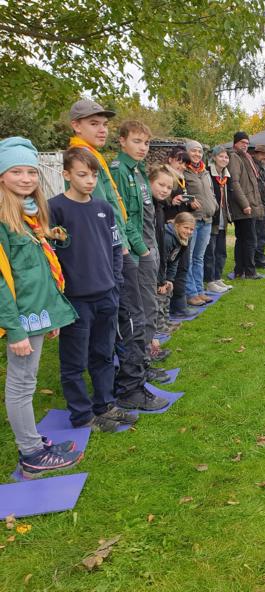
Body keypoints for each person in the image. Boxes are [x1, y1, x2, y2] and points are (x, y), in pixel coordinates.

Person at [68, 100, 166, 411]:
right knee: (129, 323)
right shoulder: (85, 162)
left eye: (104, 124)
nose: (102, 129)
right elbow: (101, 216)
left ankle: (134, 381)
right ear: (76, 126)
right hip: (114, 256)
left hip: (121, 252)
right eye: (93, 123)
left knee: (132, 320)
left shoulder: (94, 158)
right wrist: (125, 249)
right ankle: (130, 389)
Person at [0, 137, 83, 477]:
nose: (26, 178)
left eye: (31, 172)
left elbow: (37, 272)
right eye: (16, 171)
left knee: (28, 381)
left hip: (37, 312)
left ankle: (33, 440)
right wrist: (15, 328)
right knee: (21, 384)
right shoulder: (4, 219)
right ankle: (31, 453)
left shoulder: (29, 214)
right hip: (19, 317)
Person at [49, 148, 137, 431]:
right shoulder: (55, 209)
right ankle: (82, 415)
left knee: (102, 355)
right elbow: (49, 254)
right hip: (76, 300)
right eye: (82, 174)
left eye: (94, 175)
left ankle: (104, 405)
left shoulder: (104, 207)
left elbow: (115, 248)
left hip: (106, 295)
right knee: (74, 361)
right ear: (66, 175)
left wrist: (115, 282)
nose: (89, 180)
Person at [110, 121, 168, 382]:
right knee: (140, 311)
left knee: (148, 306)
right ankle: (139, 365)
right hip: (137, 252)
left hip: (148, 247)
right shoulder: (119, 171)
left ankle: (144, 358)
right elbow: (124, 218)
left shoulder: (139, 171)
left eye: (146, 142)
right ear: (122, 140)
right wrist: (143, 250)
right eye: (136, 141)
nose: (143, 147)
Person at [148, 164, 181, 337]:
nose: (165, 190)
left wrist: (163, 277)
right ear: (150, 182)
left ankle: (159, 326)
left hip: (156, 261)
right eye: (161, 185)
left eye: (169, 187)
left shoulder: (160, 208)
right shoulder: (148, 207)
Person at [183, 140, 217, 306]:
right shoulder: (184, 171)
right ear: (187, 152)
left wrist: (214, 204)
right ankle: (191, 293)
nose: (197, 154)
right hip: (193, 221)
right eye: (194, 151)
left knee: (199, 258)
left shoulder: (205, 172)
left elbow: (210, 191)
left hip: (207, 219)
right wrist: (190, 200)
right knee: (188, 258)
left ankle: (200, 291)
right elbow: (178, 190)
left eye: (199, 151)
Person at [227, 131, 264, 279]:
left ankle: (240, 270)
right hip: (244, 207)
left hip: (249, 206)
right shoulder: (235, 157)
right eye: (242, 142)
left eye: (247, 143)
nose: (245, 145)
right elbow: (234, 183)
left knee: (243, 238)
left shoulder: (245, 158)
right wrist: (245, 204)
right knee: (249, 239)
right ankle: (249, 271)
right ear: (235, 143)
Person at [205, 146, 234, 293]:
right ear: (214, 157)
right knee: (210, 250)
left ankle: (217, 277)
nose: (224, 159)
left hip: (223, 216)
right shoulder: (208, 173)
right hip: (212, 217)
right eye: (221, 156)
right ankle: (209, 280)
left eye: (226, 157)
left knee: (221, 251)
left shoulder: (225, 175)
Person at [159, 213, 196, 327]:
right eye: (186, 228)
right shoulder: (167, 238)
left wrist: (170, 279)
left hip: (164, 269)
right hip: (156, 270)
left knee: (168, 290)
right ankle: (159, 325)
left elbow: (174, 260)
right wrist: (161, 282)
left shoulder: (184, 239)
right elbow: (161, 261)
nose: (189, 232)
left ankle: (165, 321)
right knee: (159, 295)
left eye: (191, 229)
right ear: (177, 225)